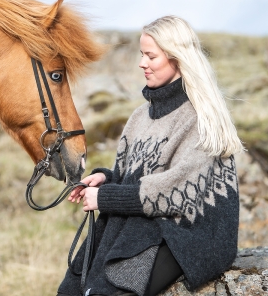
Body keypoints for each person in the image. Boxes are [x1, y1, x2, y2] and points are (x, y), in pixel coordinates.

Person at [57, 16, 243, 296]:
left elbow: (177, 191)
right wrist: (103, 179)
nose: (142, 63)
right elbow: (127, 175)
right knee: (74, 286)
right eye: (142, 54)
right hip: (149, 219)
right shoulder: (139, 116)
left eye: (151, 56)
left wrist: (105, 198)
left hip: (190, 232)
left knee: (112, 287)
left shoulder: (199, 117)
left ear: (177, 58)